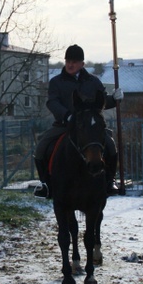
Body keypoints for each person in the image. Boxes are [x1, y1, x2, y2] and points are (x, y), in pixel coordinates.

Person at [33, 44, 123, 199]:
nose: (70, 64)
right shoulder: (56, 82)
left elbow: (102, 102)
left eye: (74, 61)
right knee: (40, 148)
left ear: (82, 64)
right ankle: (45, 184)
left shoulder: (93, 82)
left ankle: (110, 181)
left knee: (111, 146)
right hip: (64, 125)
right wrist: (66, 115)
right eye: (68, 60)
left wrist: (115, 99)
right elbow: (52, 102)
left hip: (89, 128)